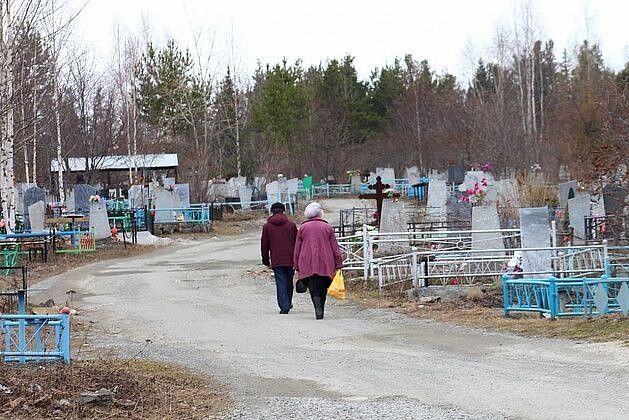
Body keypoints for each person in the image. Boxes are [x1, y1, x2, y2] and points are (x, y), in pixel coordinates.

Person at [293, 202, 343, 319]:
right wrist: (339, 262)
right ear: (320, 213)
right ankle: (321, 308)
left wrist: (296, 265)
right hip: (325, 261)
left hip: (307, 261)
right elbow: (334, 247)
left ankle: (317, 308)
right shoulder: (327, 227)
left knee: (313, 287)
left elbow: (297, 248)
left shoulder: (303, 228)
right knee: (323, 286)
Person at [261, 202, 298, 314]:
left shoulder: (267, 226)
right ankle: (288, 302)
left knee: (280, 282)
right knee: (289, 282)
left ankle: (284, 306)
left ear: (272, 211)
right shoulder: (291, 225)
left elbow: (264, 245)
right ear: (283, 211)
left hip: (276, 260)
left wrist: (266, 260)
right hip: (290, 259)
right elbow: (297, 243)